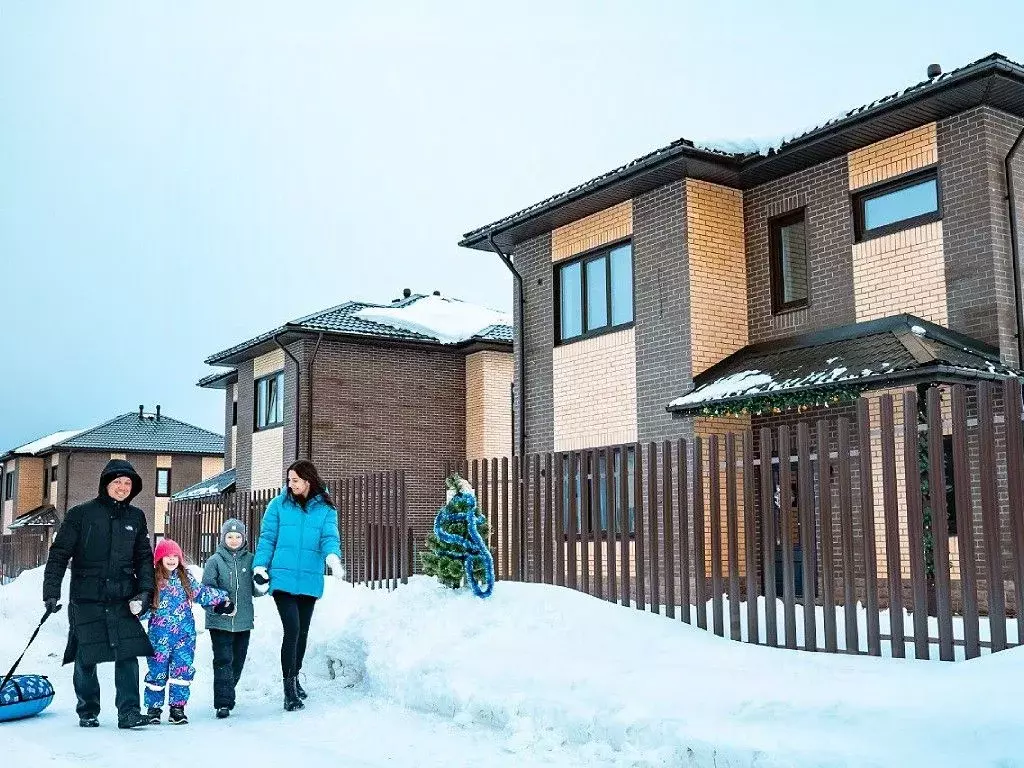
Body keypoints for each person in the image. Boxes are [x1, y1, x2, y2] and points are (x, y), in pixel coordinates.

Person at [42, 459, 155, 729]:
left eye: (128, 483)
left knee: (127, 653)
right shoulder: (81, 514)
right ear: (105, 483)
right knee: (86, 655)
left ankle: (129, 712)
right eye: (117, 482)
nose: (122, 487)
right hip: (87, 596)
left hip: (123, 596)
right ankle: (88, 709)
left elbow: (143, 558)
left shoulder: (136, 517)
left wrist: (145, 592)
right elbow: (59, 554)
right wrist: (51, 592)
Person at [253, 460, 343, 712]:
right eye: (288, 480)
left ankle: (296, 676)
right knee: (291, 629)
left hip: (309, 577)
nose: (289, 484)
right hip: (282, 577)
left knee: (302, 632)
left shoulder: (325, 509)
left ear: (308, 481)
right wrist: (260, 566)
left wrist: (332, 557)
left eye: (294, 480)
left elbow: (329, 537)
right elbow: (267, 538)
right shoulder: (278, 505)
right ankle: (289, 690)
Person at [143, 539, 233, 725]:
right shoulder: (153, 581)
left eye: (175, 556)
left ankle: (177, 708)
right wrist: (134, 611)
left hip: (184, 636)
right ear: (159, 558)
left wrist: (221, 598)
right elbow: (144, 607)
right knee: (157, 672)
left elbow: (201, 593)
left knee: (182, 671)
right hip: (158, 638)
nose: (171, 559)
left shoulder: (185, 578)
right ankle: (153, 708)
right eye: (167, 556)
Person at [202, 518, 262, 719]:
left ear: (244, 538)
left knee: (238, 661)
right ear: (223, 538)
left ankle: (227, 691)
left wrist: (262, 584)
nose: (234, 540)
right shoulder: (214, 561)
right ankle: (223, 703)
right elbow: (206, 592)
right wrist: (219, 606)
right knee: (223, 660)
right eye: (230, 536)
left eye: (238, 536)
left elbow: (257, 590)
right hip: (220, 621)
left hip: (243, 620)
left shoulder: (251, 560)